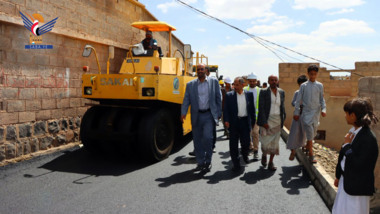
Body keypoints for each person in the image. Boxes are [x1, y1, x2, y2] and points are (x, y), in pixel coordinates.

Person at [332, 98, 378, 214]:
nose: (345, 116)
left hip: (357, 188)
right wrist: (338, 176)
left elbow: (358, 164)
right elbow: (342, 158)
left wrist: (347, 145)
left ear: (352, 116)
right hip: (346, 183)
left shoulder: (368, 138)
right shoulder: (353, 132)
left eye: (346, 113)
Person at [181, 63, 222, 173]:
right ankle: (200, 162)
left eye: (202, 69)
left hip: (209, 115)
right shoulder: (190, 85)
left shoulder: (214, 82)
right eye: (198, 69)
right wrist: (183, 112)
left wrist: (219, 112)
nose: (200, 71)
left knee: (208, 138)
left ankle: (208, 161)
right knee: (197, 140)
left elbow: (219, 98)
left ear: (205, 70)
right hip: (196, 116)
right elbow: (186, 100)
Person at [293, 64, 326, 163]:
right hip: (306, 113)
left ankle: (307, 146)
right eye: (311, 74)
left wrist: (324, 110)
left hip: (316, 113)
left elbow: (322, 99)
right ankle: (311, 154)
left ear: (317, 74)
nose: (312, 76)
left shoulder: (320, 86)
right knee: (310, 133)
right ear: (308, 74)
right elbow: (298, 100)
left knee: (313, 132)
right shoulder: (303, 86)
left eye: (314, 74)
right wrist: (296, 112)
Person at [223, 77, 256, 171]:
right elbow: (226, 109)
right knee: (233, 144)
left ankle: (245, 155)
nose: (235, 86)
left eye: (237, 85)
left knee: (246, 143)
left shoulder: (249, 95)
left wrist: (253, 122)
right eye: (234, 84)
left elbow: (252, 110)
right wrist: (226, 120)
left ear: (243, 85)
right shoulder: (229, 95)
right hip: (234, 123)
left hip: (245, 122)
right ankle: (236, 163)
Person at [257, 75, 285, 171]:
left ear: (277, 81)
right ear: (268, 81)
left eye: (275, 80)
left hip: (277, 120)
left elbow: (282, 107)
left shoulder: (281, 92)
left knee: (275, 143)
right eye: (271, 80)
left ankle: (270, 162)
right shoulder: (263, 92)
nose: (273, 81)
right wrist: (264, 122)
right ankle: (264, 154)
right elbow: (261, 107)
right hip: (267, 120)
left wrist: (283, 119)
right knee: (265, 143)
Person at [286, 75, 308, 160]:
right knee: (294, 134)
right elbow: (293, 103)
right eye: (300, 84)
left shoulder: (310, 93)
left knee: (305, 134)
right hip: (297, 116)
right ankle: (293, 151)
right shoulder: (297, 92)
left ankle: (304, 148)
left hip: (306, 117)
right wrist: (299, 105)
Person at [243, 73, 261, 160]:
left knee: (255, 134)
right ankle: (250, 147)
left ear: (256, 81)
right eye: (250, 81)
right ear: (248, 81)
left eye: (254, 81)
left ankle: (256, 151)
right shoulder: (244, 89)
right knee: (247, 134)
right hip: (246, 116)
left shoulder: (259, 90)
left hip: (256, 117)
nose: (252, 83)